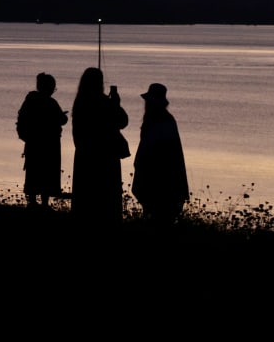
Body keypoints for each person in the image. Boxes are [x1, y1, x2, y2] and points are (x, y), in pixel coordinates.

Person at [70, 67, 129, 225]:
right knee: (105, 198)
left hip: (84, 156)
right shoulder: (103, 102)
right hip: (105, 157)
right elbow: (122, 121)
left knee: (85, 197)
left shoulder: (79, 102)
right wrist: (116, 103)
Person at [131, 83, 189, 224]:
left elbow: (157, 153)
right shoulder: (162, 120)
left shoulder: (161, 121)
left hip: (161, 180)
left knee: (159, 218)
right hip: (161, 180)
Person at [16, 72, 68, 209]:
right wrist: (62, 116)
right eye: (53, 88)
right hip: (49, 145)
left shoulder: (30, 100)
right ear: (49, 88)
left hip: (33, 143)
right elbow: (63, 120)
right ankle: (44, 203)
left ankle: (32, 202)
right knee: (47, 173)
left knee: (33, 172)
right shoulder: (51, 103)